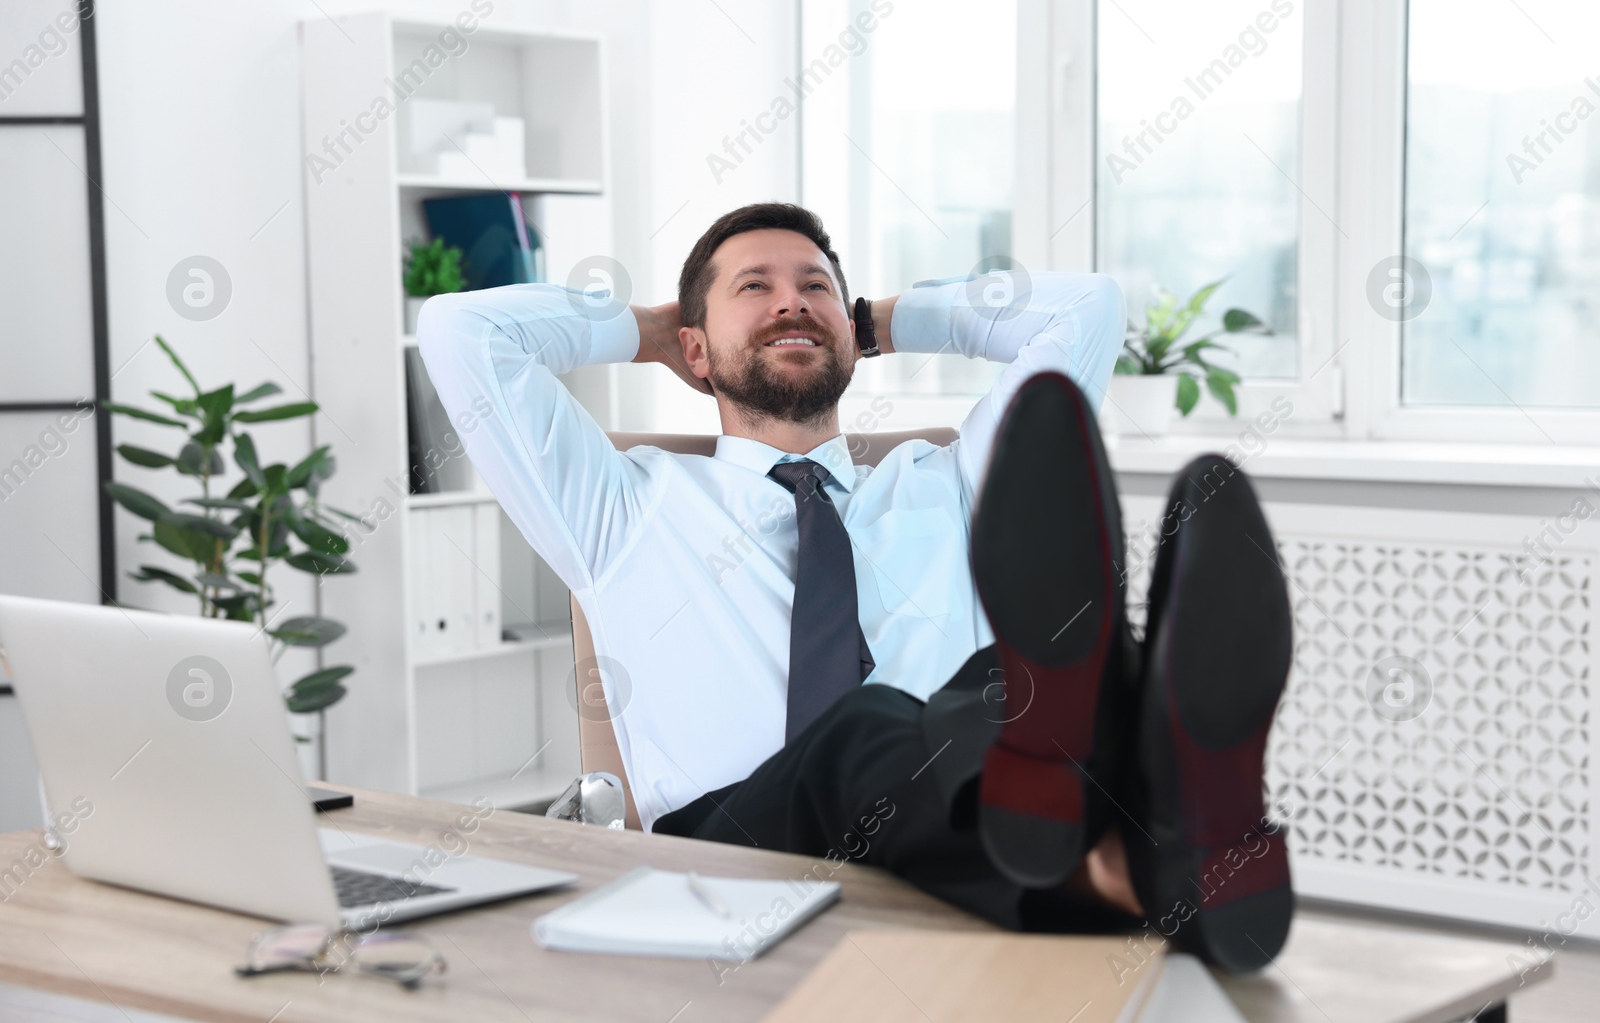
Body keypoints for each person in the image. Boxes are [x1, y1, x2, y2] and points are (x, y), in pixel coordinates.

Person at [418, 202, 1294, 972]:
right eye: (753, 288)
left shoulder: (946, 480)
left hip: (943, 831)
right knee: (872, 724)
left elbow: (1086, 308)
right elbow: (462, 333)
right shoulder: (617, 502)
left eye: (816, 288)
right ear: (696, 347)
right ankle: (1144, 814)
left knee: (996, 688)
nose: (792, 300)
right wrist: (654, 331)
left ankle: (1144, 856)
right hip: (722, 864)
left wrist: (876, 319)